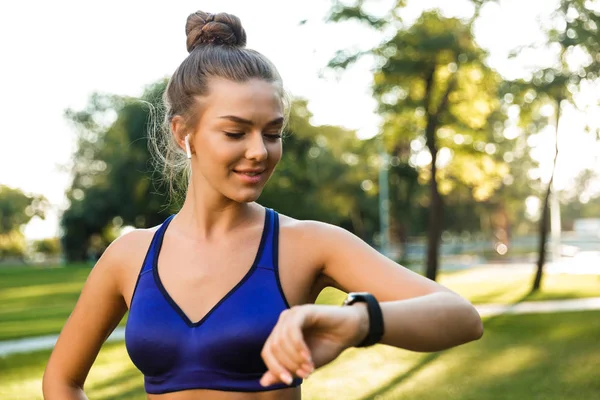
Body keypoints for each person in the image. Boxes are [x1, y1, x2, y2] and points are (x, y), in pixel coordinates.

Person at [43, 10, 483, 400]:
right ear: (183, 133)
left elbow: (461, 317)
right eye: (236, 133)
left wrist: (356, 323)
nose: (260, 151)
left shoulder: (307, 244)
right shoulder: (129, 255)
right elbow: (61, 381)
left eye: (272, 133)